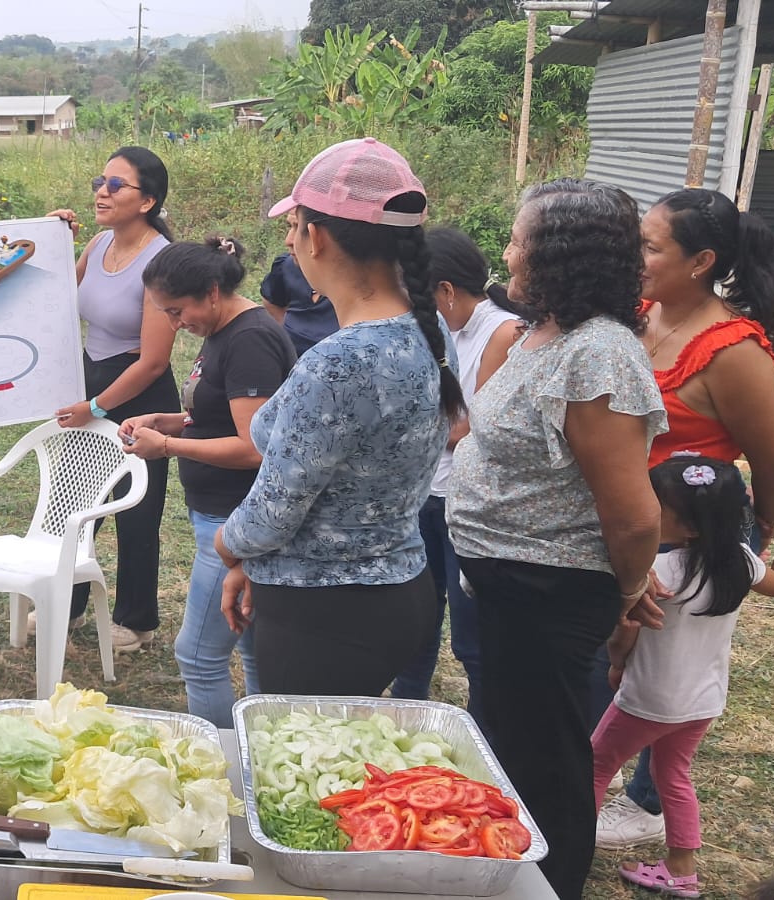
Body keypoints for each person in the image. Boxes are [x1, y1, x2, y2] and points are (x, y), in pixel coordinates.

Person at [447, 178, 667, 900]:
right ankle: (507, 871)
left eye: (519, 240)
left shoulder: (599, 352)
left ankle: (550, 884)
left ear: (561, 254)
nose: (508, 252)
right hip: (509, 586)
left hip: (551, 590)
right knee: (512, 746)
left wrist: (628, 594)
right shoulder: (546, 333)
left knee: (546, 760)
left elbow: (632, 514)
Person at [216, 138, 462, 701]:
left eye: (293, 225)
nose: (288, 240)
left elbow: (274, 512)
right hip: (397, 589)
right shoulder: (427, 331)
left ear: (318, 237)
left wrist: (229, 546)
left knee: (306, 756)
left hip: (323, 615)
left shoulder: (338, 362)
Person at [594, 187, 774, 851]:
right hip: (626, 525)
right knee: (619, 659)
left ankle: (648, 801)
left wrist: (747, 538)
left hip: (686, 535)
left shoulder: (733, 352)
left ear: (701, 261)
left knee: (671, 666)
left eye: (650, 246)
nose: (636, 257)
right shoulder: (639, 314)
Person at [593, 456, 774, 898]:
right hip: (702, 700)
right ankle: (682, 870)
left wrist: (616, 662)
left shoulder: (660, 574)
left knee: (596, 763)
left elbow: (626, 631)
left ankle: (568, 847)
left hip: (650, 699)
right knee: (673, 774)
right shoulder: (740, 561)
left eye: (656, 506)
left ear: (688, 528)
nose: (646, 510)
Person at [119, 237, 296, 727]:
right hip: (224, 516)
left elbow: (255, 447)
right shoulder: (225, 330)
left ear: (212, 292)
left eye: (177, 311)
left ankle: (221, 759)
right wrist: (172, 421)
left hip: (232, 521)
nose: (175, 324)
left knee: (198, 656)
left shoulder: (249, 340)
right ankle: (256, 749)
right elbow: (221, 414)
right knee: (254, 651)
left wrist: (168, 446)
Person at [47, 146, 183, 652]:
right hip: (92, 379)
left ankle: (136, 620)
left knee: (136, 512)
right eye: (99, 182)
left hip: (138, 392)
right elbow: (56, 300)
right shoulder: (99, 243)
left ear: (147, 201)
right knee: (73, 500)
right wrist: (53, 244)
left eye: (116, 185)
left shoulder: (161, 262)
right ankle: (69, 603)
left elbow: (152, 361)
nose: (101, 192)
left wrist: (98, 406)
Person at [390, 227, 523, 723]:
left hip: (466, 504)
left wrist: (407, 428)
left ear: (445, 290)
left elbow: (474, 429)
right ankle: (404, 712)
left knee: (471, 638)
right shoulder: (433, 330)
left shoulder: (503, 333)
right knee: (415, 620)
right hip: (425, 493)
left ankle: (486, 734)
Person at [258, 251, 338, 355]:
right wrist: (287, 331)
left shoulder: (353, 269)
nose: (289, 242)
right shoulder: (288, 266)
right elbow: (272, 300)